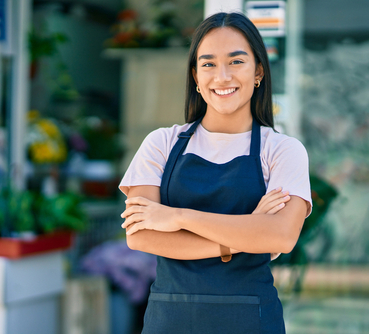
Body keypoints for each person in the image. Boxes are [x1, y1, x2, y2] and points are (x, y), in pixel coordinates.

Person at [119, 12, 312, 334]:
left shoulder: (282, 150)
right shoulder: (161, 143)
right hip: (170, 320)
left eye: (236, 62)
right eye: (208, 64)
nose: (222, 76)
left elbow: (281, 236)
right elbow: (141, 235)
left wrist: (177, 217)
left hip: (250, 321)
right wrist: (244, 236)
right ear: (195, 76)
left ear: (258, 72)